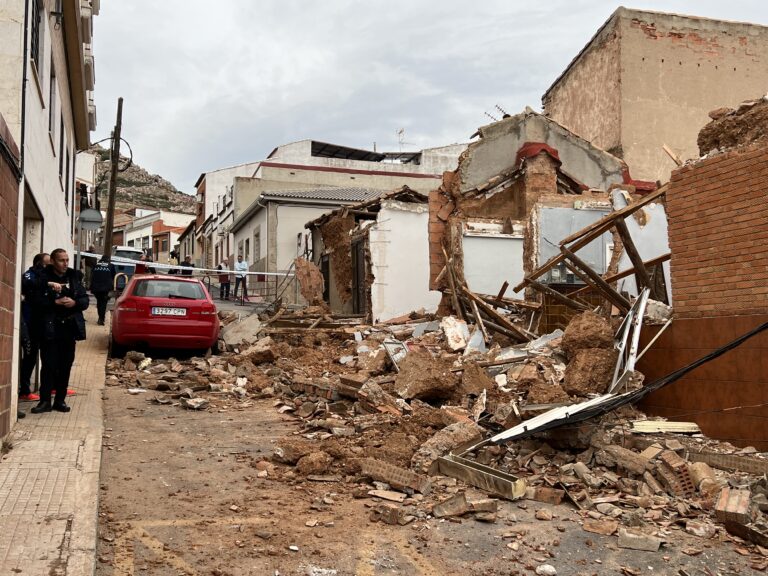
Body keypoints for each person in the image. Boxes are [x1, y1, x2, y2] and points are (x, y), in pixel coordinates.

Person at [31, 249, 89, 414]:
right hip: (50, 328)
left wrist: (74, 303)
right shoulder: (43, 277)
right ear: (53, 262)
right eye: (61, 260)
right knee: (49, 365)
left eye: (67, 260)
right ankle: (44, 401)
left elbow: (84, 300)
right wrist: (54, 302)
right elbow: (35, 299)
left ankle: (60, 400)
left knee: (65, 365)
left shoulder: (74, 276)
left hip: (69, 329)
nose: (65, 264)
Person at [19, 252, 50, 402]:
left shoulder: (46, 277)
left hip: (42, 324)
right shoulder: (29, 275)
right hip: (29, 323)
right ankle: (24, 391)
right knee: (29, 358)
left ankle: (52, 386)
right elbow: (29, 284)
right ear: (38, 263)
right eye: (46, 264)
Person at [90, 257, 116, 325]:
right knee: (103, 302)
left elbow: (92, 275)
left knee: (99, 301)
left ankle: (100, 318)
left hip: (95, 287)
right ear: (108, 260)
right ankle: (101, 319)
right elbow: (114, 276)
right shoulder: (111, 265)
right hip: (105, 287)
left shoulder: (95, 265)